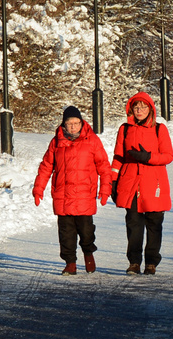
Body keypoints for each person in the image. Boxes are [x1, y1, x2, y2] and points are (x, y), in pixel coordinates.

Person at [33, 105, 113, 274]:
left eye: (76, 123)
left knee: (86, 231)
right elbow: (46, 166)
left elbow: (104, 166)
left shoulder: (92, 141)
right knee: (66, 234)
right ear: (64, 124)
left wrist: (105, 190)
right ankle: (70, 263)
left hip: (85, 195)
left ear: (81, 123)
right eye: (69, 123)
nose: (73, 127)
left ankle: (88, 252)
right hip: (62, 195)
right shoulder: (56, 142)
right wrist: (38, 188)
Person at [111, 91, 173, 275]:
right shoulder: (124, 129)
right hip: (130, 182)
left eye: (143, 107)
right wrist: (113, 181)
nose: (139, 110)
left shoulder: (159, 129)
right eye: (136, 107)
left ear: (150, 109)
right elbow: (118, 157)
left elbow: (168, 156)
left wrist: (147, 157)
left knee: (154, 223)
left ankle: (151, 262)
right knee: (133, 224)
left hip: (154, 183)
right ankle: (134, 262)